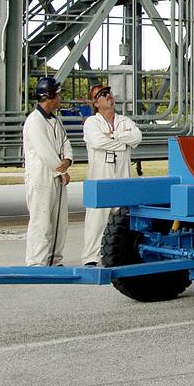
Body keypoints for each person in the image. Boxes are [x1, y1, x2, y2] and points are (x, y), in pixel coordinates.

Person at [81, 82, 142, 265]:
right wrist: (124, 143)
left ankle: (121, 257)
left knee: (122, 220)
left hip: (122, 177)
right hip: (101, 178)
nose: (108, 95)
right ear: (96, 103)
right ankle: (90, 258)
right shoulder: (92, 123)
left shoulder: (124, 121)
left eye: (108, 92)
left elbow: (137, 138)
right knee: (96, 220)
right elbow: (99, 142)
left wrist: (115, 136)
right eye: (102, 94)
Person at [23, 76, 74, 266]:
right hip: (41, 177)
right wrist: (62, 170)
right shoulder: (34, 121)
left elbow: (65, 142)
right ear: (50, 96)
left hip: (56, 176)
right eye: (58, 95)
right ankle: (37, 262)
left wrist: (68, 159)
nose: (60, 99)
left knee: (60, 222)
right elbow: (44, 150)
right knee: (41, 221)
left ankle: (55, 259)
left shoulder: (55, 120)